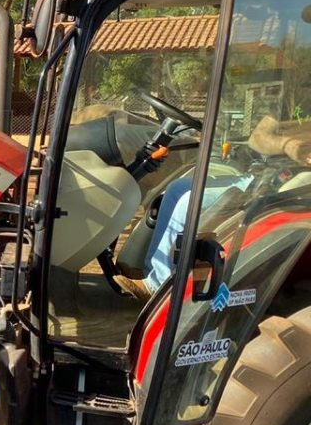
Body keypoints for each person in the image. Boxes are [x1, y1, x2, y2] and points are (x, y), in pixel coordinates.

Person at [114, 114, 311, 299]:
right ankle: (153, 272)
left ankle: (158, 286)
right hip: (262, 178)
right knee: (176, 189)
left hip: (293, 189)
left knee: (189, 201)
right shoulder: (292, 102)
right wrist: (288, 145)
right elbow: (257, 139)